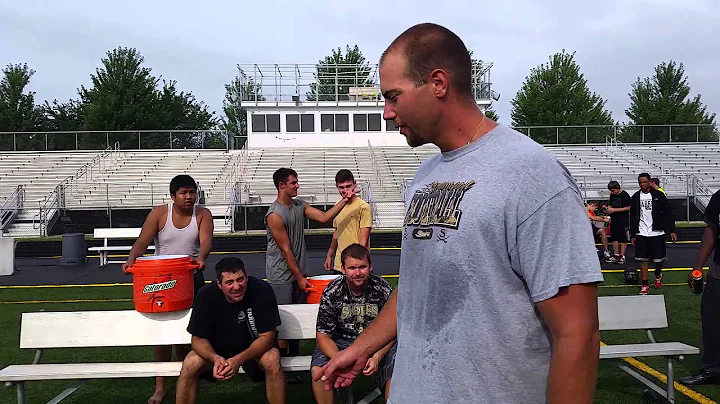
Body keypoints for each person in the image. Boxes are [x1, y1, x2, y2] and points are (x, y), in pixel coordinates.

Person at [315, 23, 604, 404]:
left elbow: (577, 333)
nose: (387, 112)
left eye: (394, 96)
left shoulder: (532, 174)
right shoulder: (424, 176)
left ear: (437, 83)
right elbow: (416, 287)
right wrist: (362, 347)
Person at [122, 174, 213, 404]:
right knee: (161, 335)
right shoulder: (160, 213)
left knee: (187, 332)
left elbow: (206, 242)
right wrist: (132, 259)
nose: (189, 197)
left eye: (192, 192)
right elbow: (143, 241)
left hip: (191, 276)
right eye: (183, 192)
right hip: (160, 278)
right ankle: (160, 386)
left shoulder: (202, 214)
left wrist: (201, 258)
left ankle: (187, 377)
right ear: (173, 196)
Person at [265, 168, 355, 364]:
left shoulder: (299, 205)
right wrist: (299, 278)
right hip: (281, 275)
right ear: (282, 186)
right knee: (284, 320)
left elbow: (324, 218)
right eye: (294, 183)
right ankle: (280, 365)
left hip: (299, 272)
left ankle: (293, 360)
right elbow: (285, 250)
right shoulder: (274, 215)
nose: (298, 185)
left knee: (298, 316)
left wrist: (345, 199)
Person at [176, 257, 285, 404]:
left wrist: (237, 360)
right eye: (229, 282)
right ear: (219, 284)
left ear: (246, 277)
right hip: (217, 352)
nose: (237, 286)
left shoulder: (261, 290)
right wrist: (215, 358)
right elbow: (198, 339)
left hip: (253, 352)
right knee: (190, 362)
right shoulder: (206, 294)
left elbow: (267, 336)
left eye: (240, 279)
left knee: (272, 358)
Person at [312, 244, 396, 403]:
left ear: (370, 267)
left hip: (377, 343)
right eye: (352, 268)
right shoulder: (332, 292)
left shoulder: (382, 289)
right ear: (343, 269)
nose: (357, 273)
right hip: (341, 342)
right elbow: (322, 336)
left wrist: (377, 357)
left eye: (362, 267)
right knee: (319, 370)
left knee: (397, 367)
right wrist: (338, 358)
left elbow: (393, 330)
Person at [679, 189, 720, 386]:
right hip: (719, 272)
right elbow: (711, 231)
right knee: (712, 322)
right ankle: (712, 370)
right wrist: (698, 266)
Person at [630, 172, 677, 295]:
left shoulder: (659, 195)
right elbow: (632, 216)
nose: (642, 184)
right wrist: (633, 234)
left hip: (657, 232)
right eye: (640, 182)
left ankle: (657, 275)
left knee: (658, 259)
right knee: (642, 259)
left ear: (650, 182)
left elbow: (667, 213)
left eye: (644, 182)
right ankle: (644, 284)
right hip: (641, 232)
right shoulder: (635, 197)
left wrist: (672, 230)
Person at [324, 170, 373, 274]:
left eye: (348, 186)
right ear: (337, 187)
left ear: (354, 184)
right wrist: (329, 255)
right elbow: (337, 232)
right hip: (340, 264)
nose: (345, 190)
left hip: (355, 265)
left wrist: (359, 263)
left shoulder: (363, 207)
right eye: (341, 187)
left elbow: (364, 239)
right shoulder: (338, 205)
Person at [605, 181, 631, 264]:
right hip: (614, 218)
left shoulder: (625, 195)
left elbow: (628, 208)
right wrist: (609, 208)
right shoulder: (612, 195)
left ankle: (622, 256)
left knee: (623, 238)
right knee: (614, 237)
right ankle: (616, 255)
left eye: (613, 190)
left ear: (617, 188)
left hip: (623, 219)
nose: (612, 192)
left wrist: (614, 210)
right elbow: (611, 204)